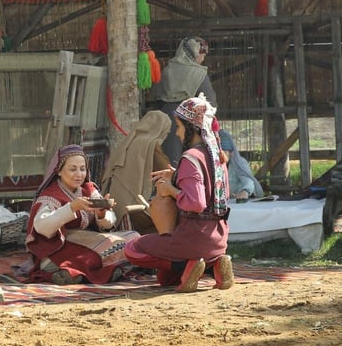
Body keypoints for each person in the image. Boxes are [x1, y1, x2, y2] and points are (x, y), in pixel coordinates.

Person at [123, 94, 234, 293]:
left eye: (179, 127)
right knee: (167, 275)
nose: (177, 133)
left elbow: (196, 203)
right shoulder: (218, 156)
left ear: (191, 127)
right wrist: (177, 176)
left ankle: (189, 267)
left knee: (132, 248)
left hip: (193, 238)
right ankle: (217, 263)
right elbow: (215, 192)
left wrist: (170, 189)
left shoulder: (190, 157)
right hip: (219, 239)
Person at [25, 144, 139, 285]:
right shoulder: (50, 195)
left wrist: (102, 214)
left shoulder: (88, 189)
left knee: (134, 239)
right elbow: (42, 227)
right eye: (73, 169)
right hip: (57, 251)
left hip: (87, 242)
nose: (79, 174)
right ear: (59, 171)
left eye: (82, 169)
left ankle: (77, 272)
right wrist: (72, 207)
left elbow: (109, 223)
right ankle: (93, 270)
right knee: (108, 247)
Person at [101, 110, 172, 233]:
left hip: (114, 205)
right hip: (132, 209)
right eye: (166, 132)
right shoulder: (150, 145)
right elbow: (165, 171)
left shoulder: (128, 141)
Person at [151, 36, 217, 165]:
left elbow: (155, 96)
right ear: (194, 53)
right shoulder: (199, 74)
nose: (203, 59)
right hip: (189, 121)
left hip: (165, 121)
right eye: (202, 55)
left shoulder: (167, 70)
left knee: (169, 162)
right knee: (191, 162)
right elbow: (211, 103)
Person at [219, 128, 265, 201]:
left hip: (237, 201)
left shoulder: (239, 163)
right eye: (218, 153)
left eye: (225, 152)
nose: (221, 155)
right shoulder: (214, 165)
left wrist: (245, 191)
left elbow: (248, 181)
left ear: (231, 152)